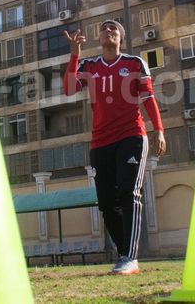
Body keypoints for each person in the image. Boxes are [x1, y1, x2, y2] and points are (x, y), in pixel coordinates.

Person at [63, 20, 165, 276]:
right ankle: (124, 255)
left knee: (129, 193)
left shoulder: (134, 64)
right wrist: (74, 55)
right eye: (104, 29)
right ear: (98, 37)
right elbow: (68, 89)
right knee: (107, 202)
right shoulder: (89, 65)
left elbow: (148, 98)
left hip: (131, 135)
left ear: (121, 38)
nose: (108, 31)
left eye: (114, 29)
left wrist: (159, 130)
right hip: (100, 141)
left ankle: (131, 257)